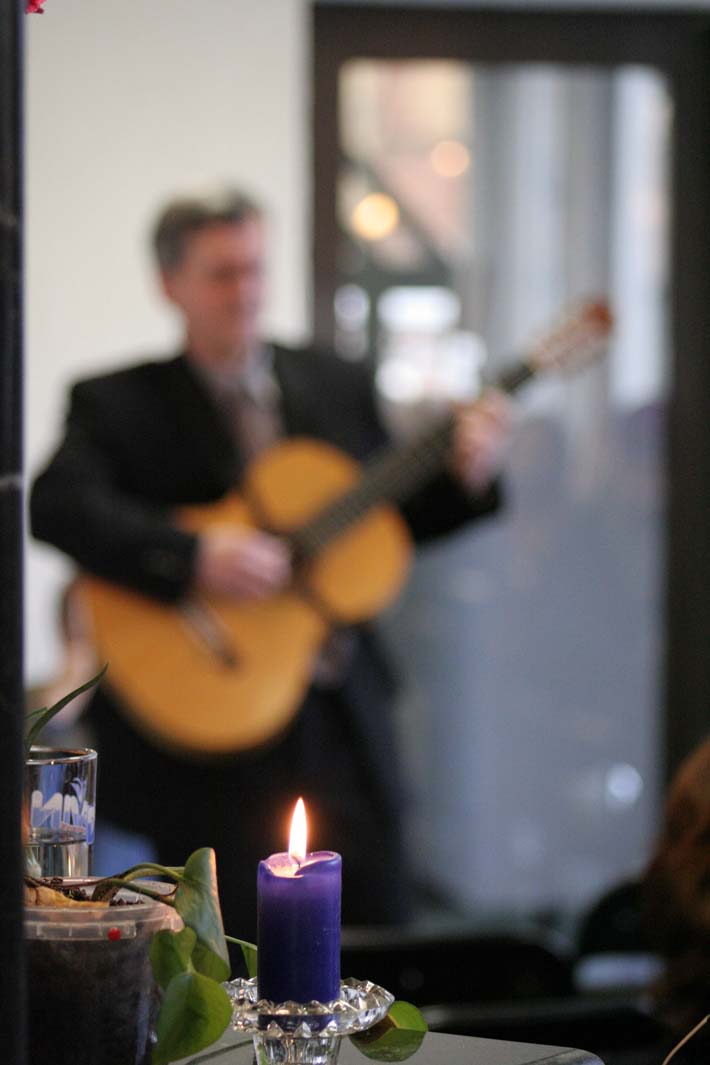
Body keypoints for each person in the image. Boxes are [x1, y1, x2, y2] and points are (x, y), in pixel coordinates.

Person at [30, 187, 510, 937]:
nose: (245, 290)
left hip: (340, 720)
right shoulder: (118, 403)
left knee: (376, 937)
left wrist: (466, 478)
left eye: (255, 268)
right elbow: (56, 505)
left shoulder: (335, 382)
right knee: (225, 951)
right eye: (222, 273)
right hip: (205, 737)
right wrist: (193, 554)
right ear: (171, 284)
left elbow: (383, 528)